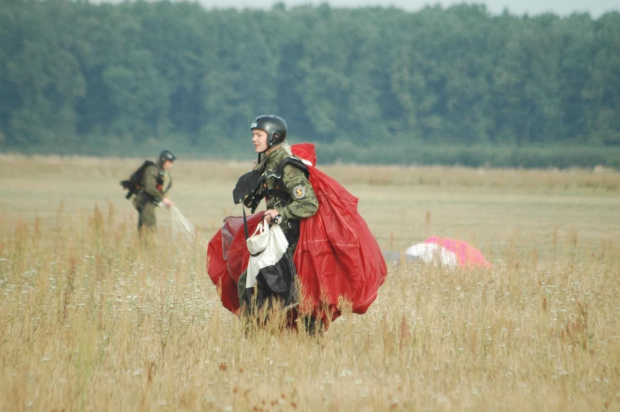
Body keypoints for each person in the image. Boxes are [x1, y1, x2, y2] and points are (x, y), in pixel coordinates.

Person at [237, 115, 319, 326]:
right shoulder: (268, 163)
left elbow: (309, 203)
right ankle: (264, 332)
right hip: (276, 236)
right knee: (258, 284)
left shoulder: (286, 166)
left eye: (259, 135)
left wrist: (280, 213)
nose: (254, 139)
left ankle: (257, 334)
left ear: (273, 137)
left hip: (287, 240)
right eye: (253, 135)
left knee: (256, 284)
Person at [132, 150, 175, 232]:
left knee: (143, 230)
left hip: (149, 202)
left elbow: (157, 189)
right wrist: (163, 199)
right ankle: (147, 245)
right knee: (149, 229)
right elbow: (149, 188)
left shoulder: (159, 171)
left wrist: (163, 201)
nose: (171, 166)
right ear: (163, 160)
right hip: (145, 202)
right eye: (170, 162)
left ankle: (140, 244)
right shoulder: (152, 169)